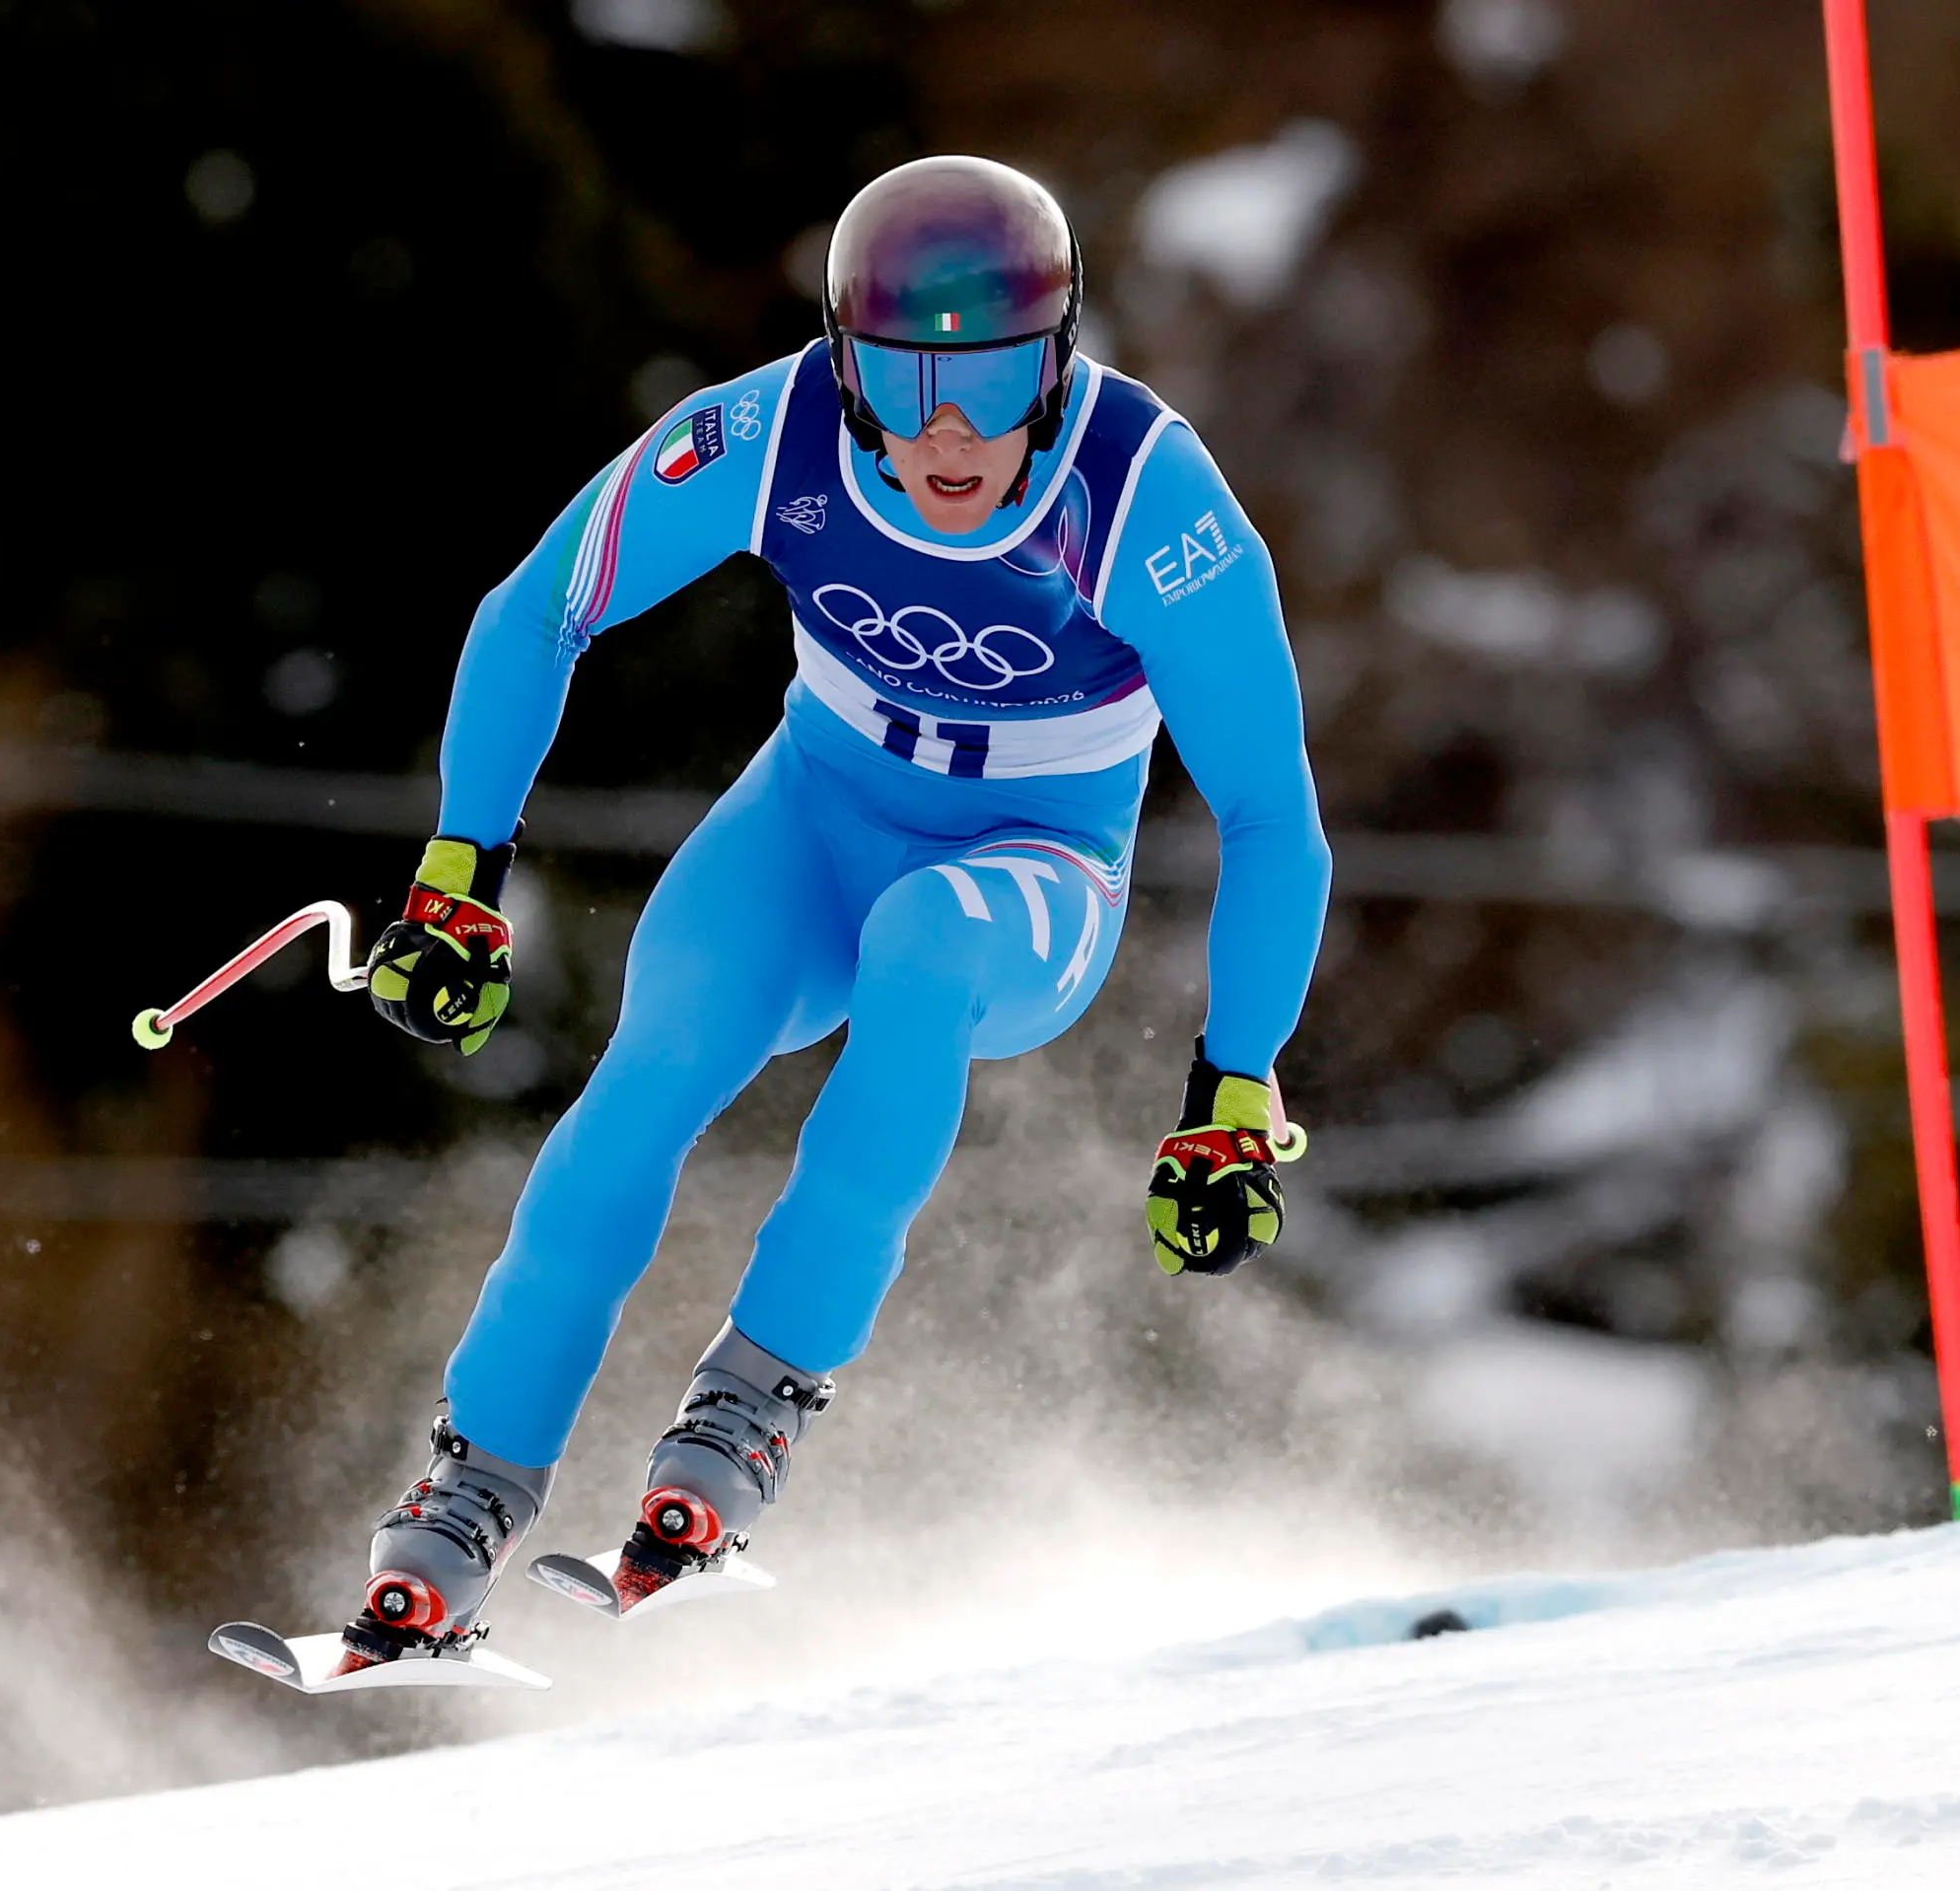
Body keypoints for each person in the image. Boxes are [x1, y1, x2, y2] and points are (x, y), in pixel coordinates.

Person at [336, 155, 1330, 1670]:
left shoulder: (1146, 494)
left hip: (1033, 871)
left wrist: (1236, 1083)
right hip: (811, 819)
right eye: (903, 375)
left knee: (925, 946)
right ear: (841, 358)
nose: (948, 430)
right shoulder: (774, 430)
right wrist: (459, 868)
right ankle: (466, 1494)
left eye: (993, 379)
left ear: (1058, 356)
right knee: (651, 1067)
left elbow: (1270, 811)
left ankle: (750, 1415)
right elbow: (539, 605)